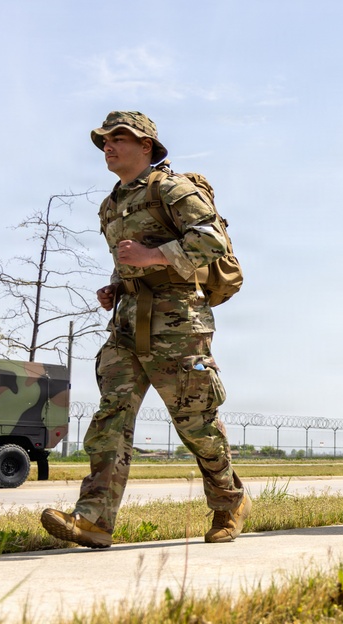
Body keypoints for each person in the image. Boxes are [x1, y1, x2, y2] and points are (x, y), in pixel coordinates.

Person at [41, 111, 250, 549]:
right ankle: (93, 519)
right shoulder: (110, 204)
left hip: (178, 322)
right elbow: (130, 259)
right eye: (104, 140)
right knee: (110, 419)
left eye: (120, 138)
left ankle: (229, 501)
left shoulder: (173, 189)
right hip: (127, 321)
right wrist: (117, 285)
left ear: (147, 146)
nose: (109, 146)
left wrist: (151, 258)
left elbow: (211, 240)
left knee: (196, 424)